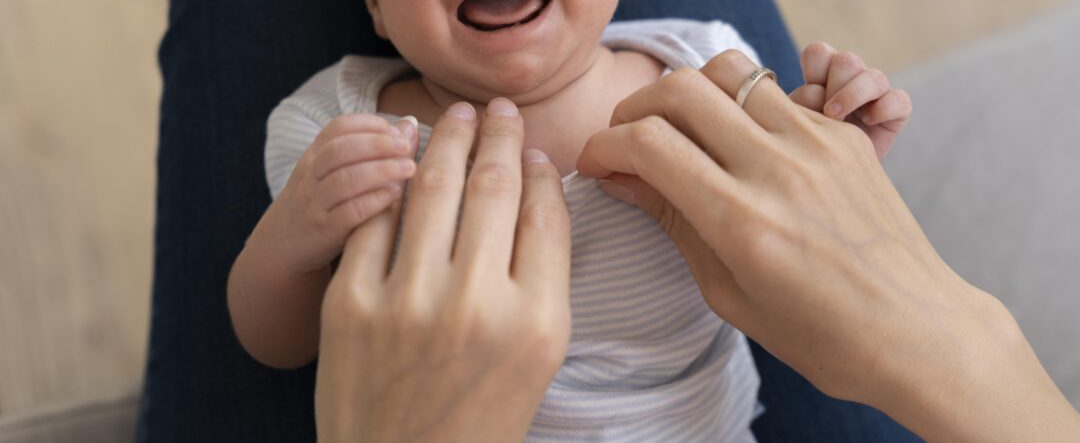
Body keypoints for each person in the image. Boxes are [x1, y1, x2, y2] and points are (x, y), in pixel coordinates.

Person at [144, 0, 921, 440]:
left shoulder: (704, 67)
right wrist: (292, 239)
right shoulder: (342, 126)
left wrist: (833, 143)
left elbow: (803, 247)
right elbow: (272, 343)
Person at [313, 52, 1080, 442]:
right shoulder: (337, 114)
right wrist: (830, 122)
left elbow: (259, 344)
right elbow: (263, 322)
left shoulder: (680, 53)